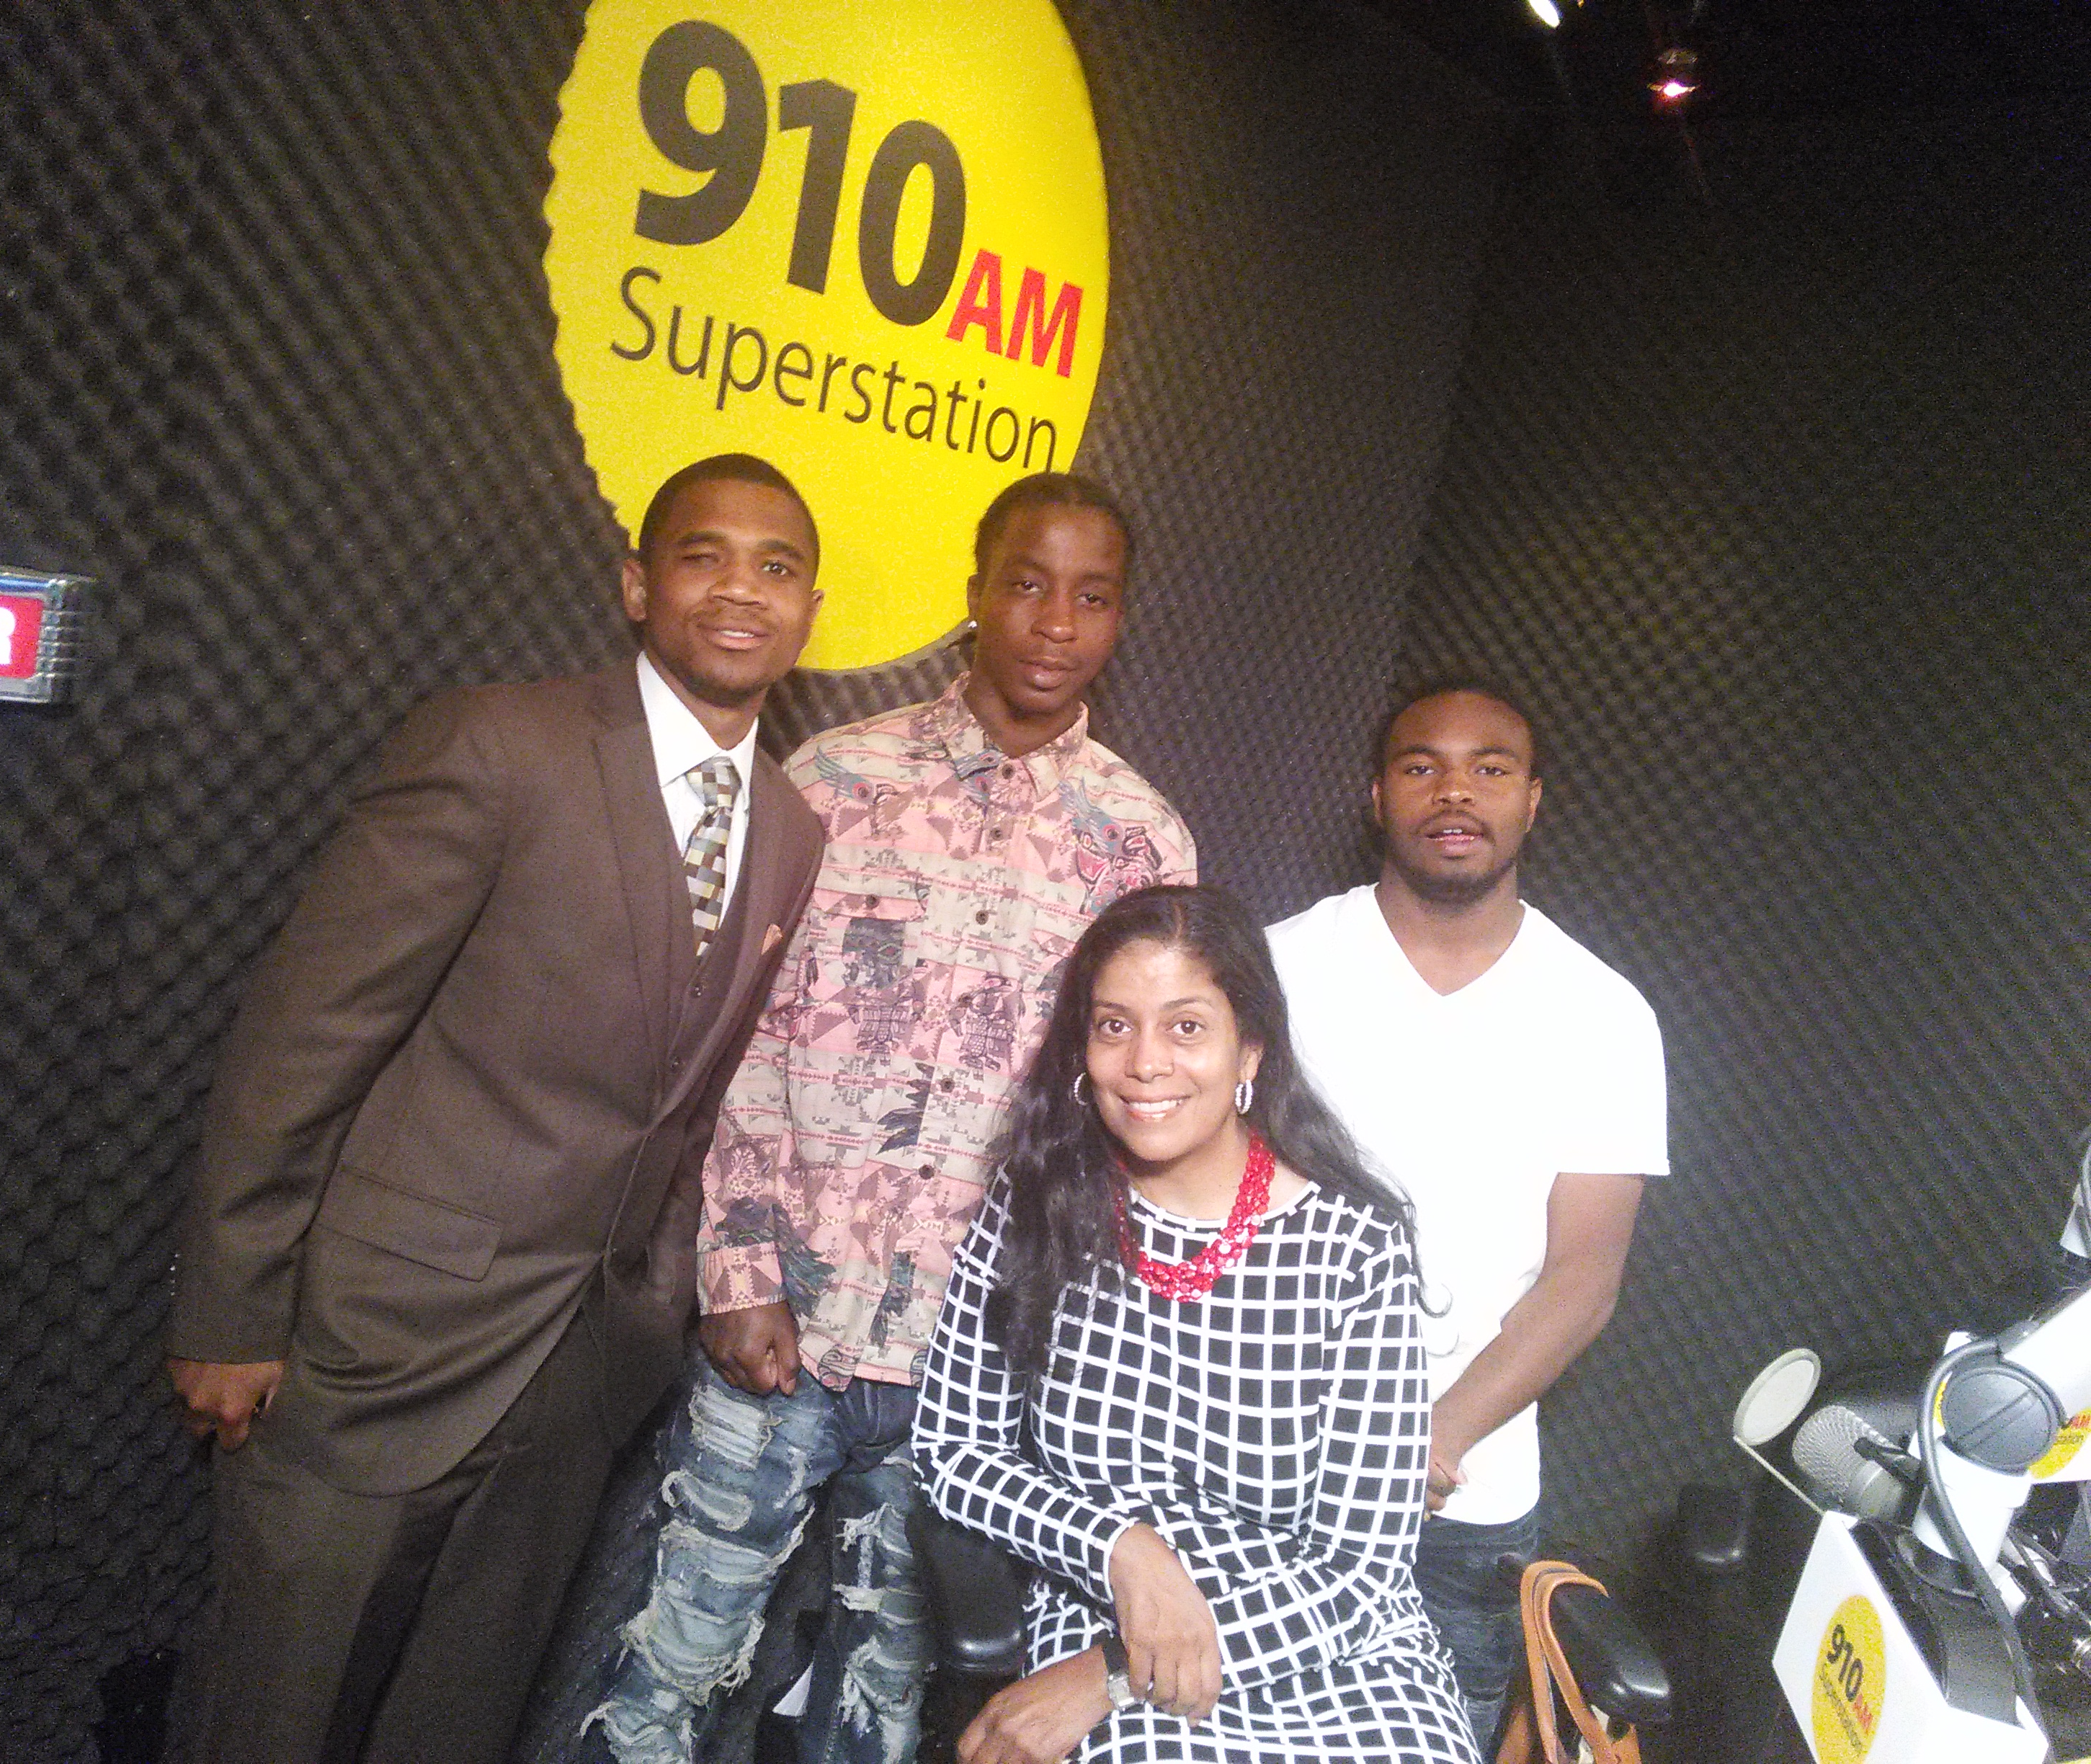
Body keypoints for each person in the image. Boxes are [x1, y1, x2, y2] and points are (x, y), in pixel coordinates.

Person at [163, 453, 829, 1764]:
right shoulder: (497, 742)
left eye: (777, 565)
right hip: (382, 1344)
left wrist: (655, 1304)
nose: (740, 589)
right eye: (703, 555)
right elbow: (303, 1040)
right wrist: (229, 1307)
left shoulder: (794, 829)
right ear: (637, 585)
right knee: (275, 1716)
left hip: (579, 1375)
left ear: (810, 609)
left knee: (452, 1722)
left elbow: (684, 1106)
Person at [589, 473, 1196, 1764]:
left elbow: (1129, 1120)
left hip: (971, 1374)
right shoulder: (834, 780)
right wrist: (737, 1266)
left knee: (885, 1704)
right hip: (780, 1324)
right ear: (971, 592)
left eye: (1089, 597)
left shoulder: (1141, 844)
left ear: (1119, 620)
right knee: (670, 1668)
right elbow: (733, 1040)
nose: (1052, 622)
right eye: (1025, 582)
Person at [914, 883, 1479, 1764]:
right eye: (1114, 1026)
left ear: (1249, 1047)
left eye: (1186, 1027)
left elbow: (1360, 1574)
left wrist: (1108, 1675)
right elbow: (952, 1451)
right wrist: (1122, 1550)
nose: (1145, 1064)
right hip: (1104, 1605)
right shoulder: (1036, 1204)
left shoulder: (1352, 1247)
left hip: (1328, 1644)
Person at [1265, 681, 1669, 1755]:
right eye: (1420, 764)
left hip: (1462, 1505)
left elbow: (1584, 1279)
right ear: (1377, 794)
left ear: (1533, 800)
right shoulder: (1270, 968)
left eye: (1491, 767)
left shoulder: (1605, 1013)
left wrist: (1429, 1440)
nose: (1456, 790)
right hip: (1253, 1479)